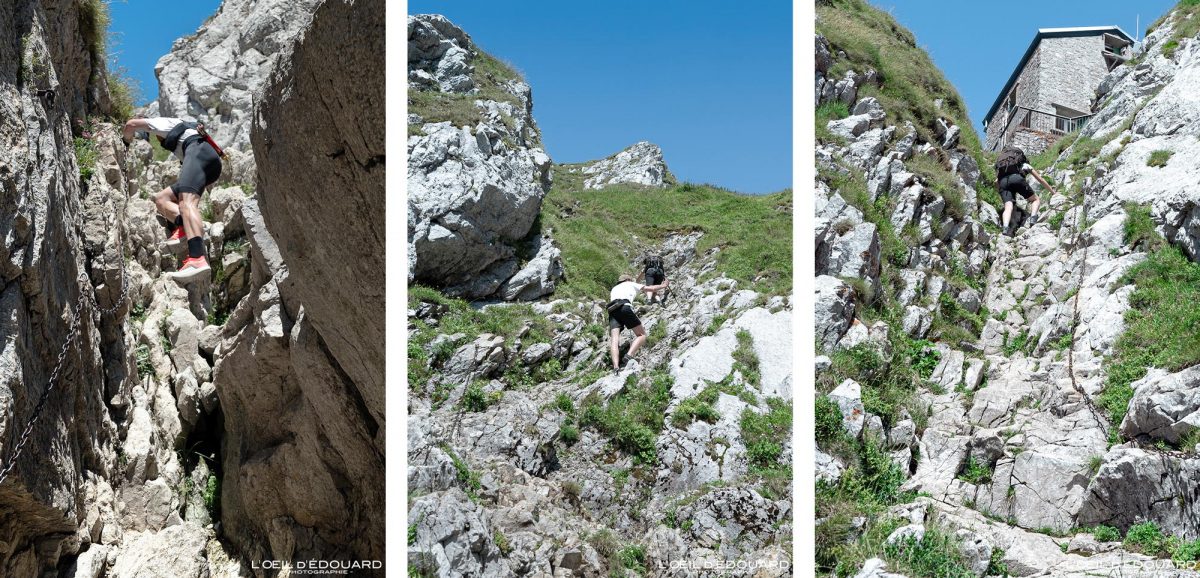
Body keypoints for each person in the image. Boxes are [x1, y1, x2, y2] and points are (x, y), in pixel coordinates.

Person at [121, 116, 223, 283]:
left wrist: (125, 143)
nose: (156, 138)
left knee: (186, 203)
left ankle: (197, 258)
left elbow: (130, 124)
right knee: (162, 199)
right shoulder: (180, 135)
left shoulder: (163, 123)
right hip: (207, 161)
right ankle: (185, 226)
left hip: (198, 153)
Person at [607, 273, 670, 372]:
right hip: (624, 307)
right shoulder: (630, 284)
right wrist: (663, 285)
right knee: (642, 335)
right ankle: (629, 355)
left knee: (614, 340)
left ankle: (615, 367)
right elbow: (651, 288)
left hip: (612, 310)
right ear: (628, 279)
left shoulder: (614, 288)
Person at [994, 146, 1056, 236]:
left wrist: (1001, 191)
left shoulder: (1004, 167)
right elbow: (1040, 180)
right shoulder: (1024, 165)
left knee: (1008, 206)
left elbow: (996, 182)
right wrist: (1053, 192)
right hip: (1017, 179)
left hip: (1003, 182)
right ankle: (1033, 219)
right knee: (1035, 200)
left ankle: (1005, 228)